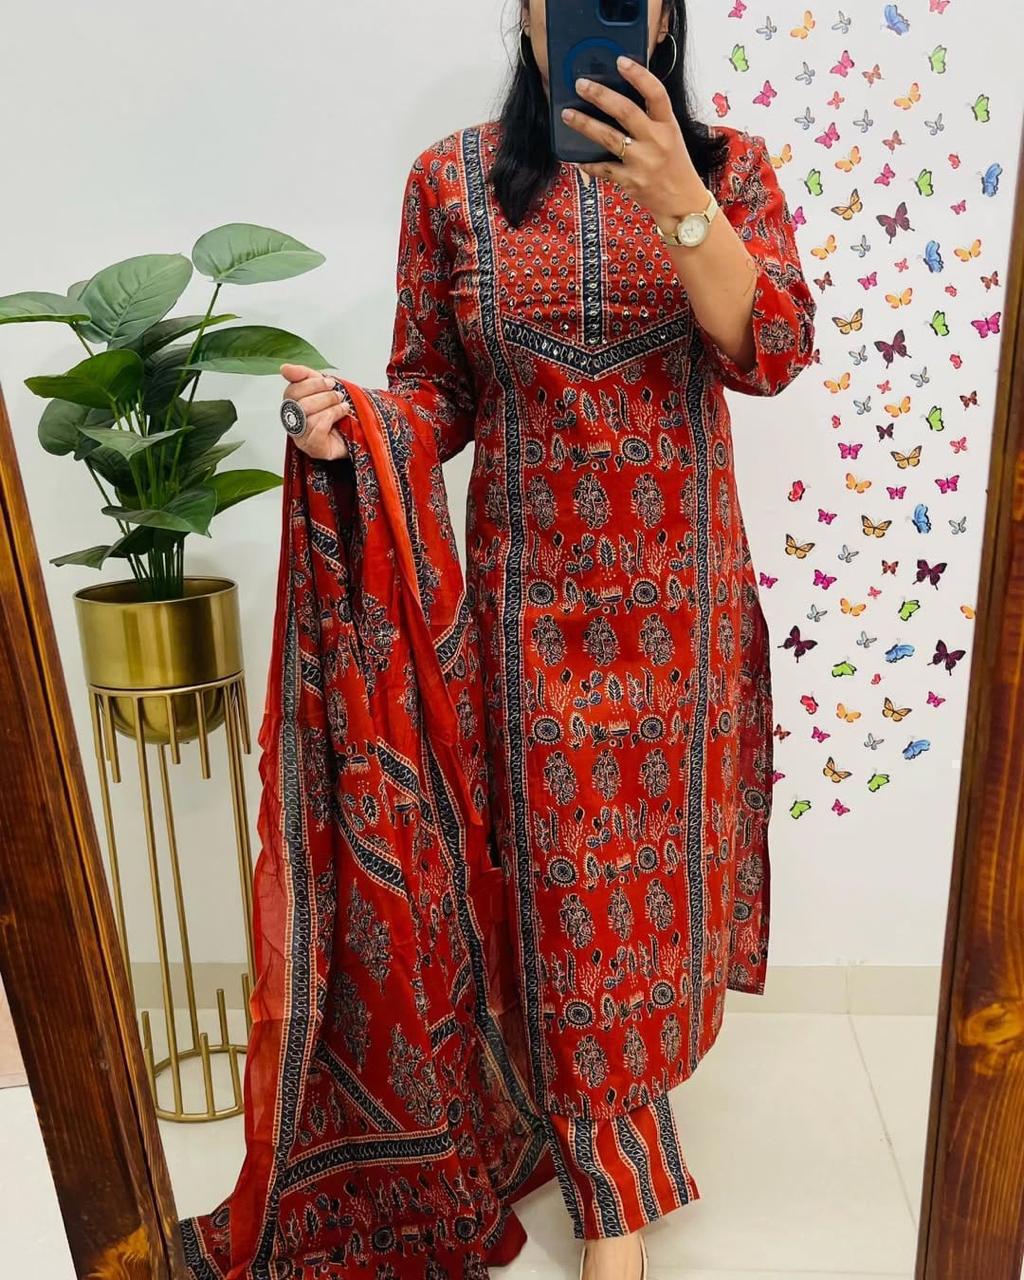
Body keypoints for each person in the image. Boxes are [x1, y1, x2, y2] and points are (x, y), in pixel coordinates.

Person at [184, 3, 816, 1278]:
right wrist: (354, 427)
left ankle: (597, 1149)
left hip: (681, 624)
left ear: (665, 14)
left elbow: (772, 349)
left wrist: (682, 200)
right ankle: (614, 1218)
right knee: (564, 903)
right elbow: (437, 390)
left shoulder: (729, 169)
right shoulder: (452, 185)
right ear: (526, 14)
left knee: (648, 917)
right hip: (530, 624)